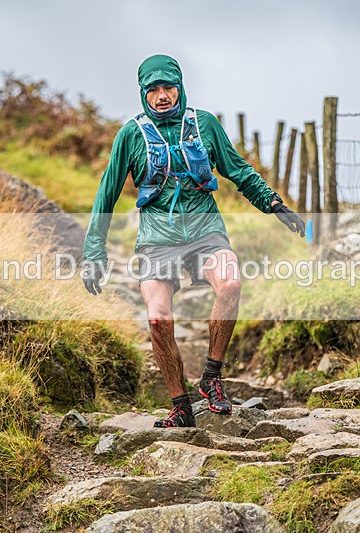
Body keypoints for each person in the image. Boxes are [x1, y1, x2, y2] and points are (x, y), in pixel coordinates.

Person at [81, 54, 305, 428]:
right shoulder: (130, 135)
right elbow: (106, 193)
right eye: (153, 90)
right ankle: (179, 405)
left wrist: (273, 203)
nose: (162, 96)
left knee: (231, 282)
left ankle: (212, 378)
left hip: (205, 231)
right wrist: (94, 253)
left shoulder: (205, 125)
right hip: (158, 239)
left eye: (168, 87)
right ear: (143, 94)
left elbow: (238, 170)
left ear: (180, 88)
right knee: (157, 318)